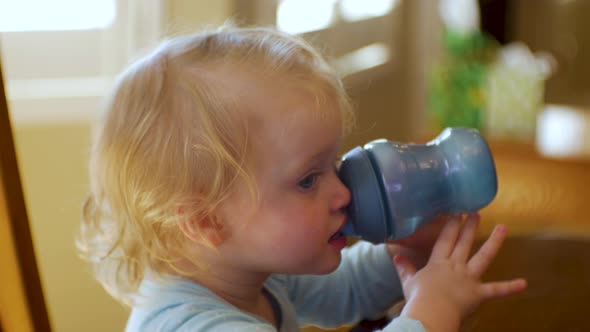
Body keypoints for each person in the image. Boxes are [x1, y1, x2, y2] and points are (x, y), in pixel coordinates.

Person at [76, 25, 527, 332]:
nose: (343, 191)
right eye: (309, 180)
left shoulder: (250, 271)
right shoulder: (191, 325)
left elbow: (344, 289)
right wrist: (430, 315)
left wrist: (404, 252)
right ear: (207, 220)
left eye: (332, 165)